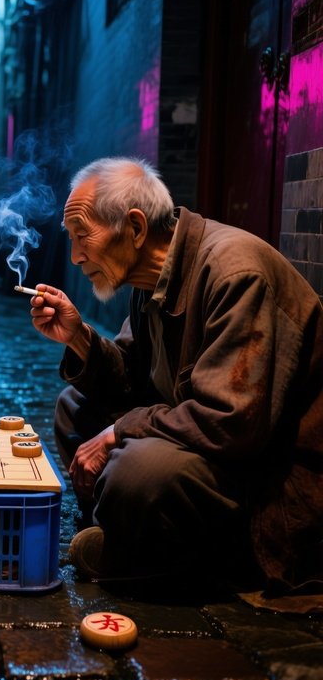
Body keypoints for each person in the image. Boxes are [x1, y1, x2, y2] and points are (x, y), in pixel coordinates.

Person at [30, 157, 323, 594]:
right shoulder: (153, 281)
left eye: (82, 236)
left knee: (138, 470)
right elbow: (129, 377)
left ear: (134, 228)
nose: (74, 256)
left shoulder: (235, 273)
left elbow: (231, 422)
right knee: (74, 407)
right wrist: (78, 338)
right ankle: (128, 535)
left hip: (267, 476)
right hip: (209, 445)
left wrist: (119, 432)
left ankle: (203, 558)